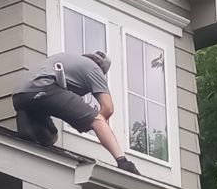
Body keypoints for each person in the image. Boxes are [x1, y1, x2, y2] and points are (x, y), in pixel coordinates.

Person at [12, 50, 140, 173]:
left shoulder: (67, 59)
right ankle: (123, 161)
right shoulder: (94, 69)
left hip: (20, 97)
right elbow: (108, 108)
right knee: (98, 120)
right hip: (45, 87)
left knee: (49, 135)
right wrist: (90, 121)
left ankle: (27, 130)